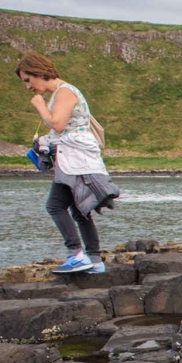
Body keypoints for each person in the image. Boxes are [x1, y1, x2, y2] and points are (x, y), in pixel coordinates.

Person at [16, 52, 111, 273]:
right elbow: (65, 128)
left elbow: (57, 124)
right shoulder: (62, 92)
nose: (28, 86)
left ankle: (77, 255)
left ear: (39, 72)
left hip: (76, 160)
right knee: (80, 210)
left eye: (28, 80)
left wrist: (40, 106)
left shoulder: (65, 91)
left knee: (55, 206)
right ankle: (95, 261)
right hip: (77, 158)